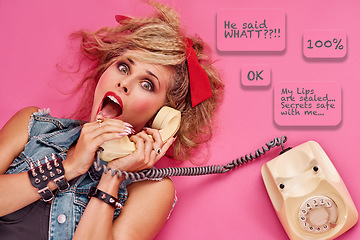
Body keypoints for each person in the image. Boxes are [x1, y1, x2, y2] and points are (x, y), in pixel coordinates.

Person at [0, 1, 224, 239]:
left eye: (147, 84)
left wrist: (113, 176)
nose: (124, 83)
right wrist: (69, 166)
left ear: (162, 116)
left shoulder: (150, 190)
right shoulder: (32, 127)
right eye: (124, 67)